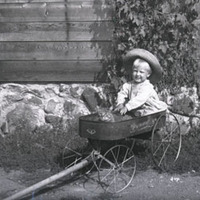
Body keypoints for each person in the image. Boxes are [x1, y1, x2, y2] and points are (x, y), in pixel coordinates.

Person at [114, 49, 167, 116]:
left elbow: (140, 99)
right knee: (121, 112)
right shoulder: (129, 85)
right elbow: (122, 93)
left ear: (148, 74)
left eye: (141, 72)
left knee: (148, 114)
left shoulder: (147, 86)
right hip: (135, 106)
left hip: (148, 107)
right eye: (135, 71)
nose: (138, 74)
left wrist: (127, 107)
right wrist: (120, 103)